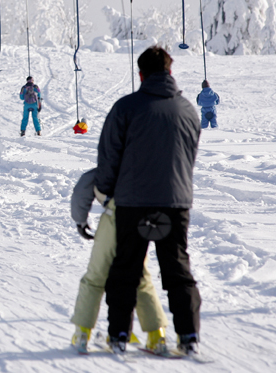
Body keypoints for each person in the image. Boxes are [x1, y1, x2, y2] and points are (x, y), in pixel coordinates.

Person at [97, 46, 201, 356]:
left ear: (140, 74)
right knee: (177, 269)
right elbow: (189, 155)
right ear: (170, 72)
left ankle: (118, 334)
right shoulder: (187, 109)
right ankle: (189, 336)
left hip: (134, 204)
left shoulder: (126, 108)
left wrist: (105, 192)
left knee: (126, 268)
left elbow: (109, 154)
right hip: (176, 202)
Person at [70, 169, 168, 354]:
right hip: (142, 215)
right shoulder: (146, 161)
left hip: (114, 215)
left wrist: (80, 221)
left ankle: (82, 333)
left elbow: (84, 185)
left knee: (95, 276)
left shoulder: (113, 160)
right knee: (140, 277)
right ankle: (157, 334)